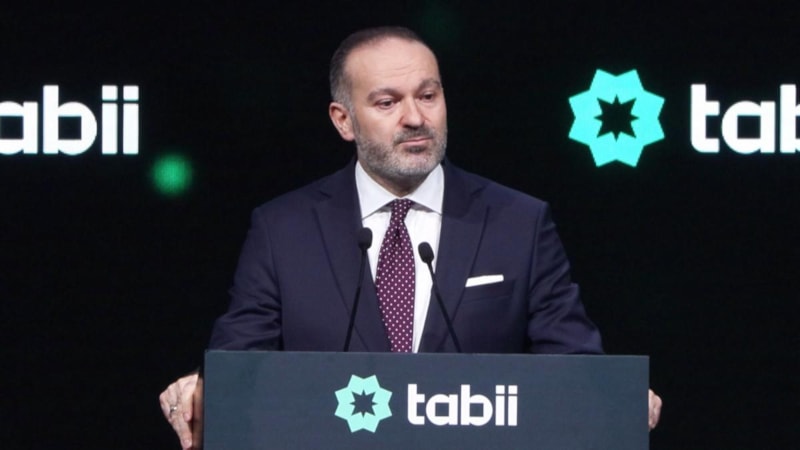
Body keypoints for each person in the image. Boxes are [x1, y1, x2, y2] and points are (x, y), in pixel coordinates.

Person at [159, 26, 662, 449]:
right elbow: (241, 365)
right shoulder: (282, 228)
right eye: (387, 102)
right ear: (343, 120)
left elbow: (574, 364)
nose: (416, 118)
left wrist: (612, 396)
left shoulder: (519, 222)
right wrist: (205, 390)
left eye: (428, 95)